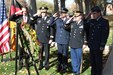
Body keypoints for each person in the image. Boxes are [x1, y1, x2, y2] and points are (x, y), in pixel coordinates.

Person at [84, 6, 109, 75]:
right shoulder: (91, 21)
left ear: (99, 13)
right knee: (92, 62)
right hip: (92, 44)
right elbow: (85, 26)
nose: (93, 15)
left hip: (98, 46)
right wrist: (87, 17)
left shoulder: (104, 22)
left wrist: (102, 45)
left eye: (94, 13)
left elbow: (105, 34)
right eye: (92, 13)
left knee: (98, 62)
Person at [49, 7, 70, 72]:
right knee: (59, 53)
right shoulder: (57, 20)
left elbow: (68, 28)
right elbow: (50, 24)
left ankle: (64, 67)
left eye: (63, 13)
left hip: (65, 39)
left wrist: (67, 19)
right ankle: (60, 66)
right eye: (61, 13)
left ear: (66, 13)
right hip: (59, 39)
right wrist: (53, 17)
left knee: (65, 54)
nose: (62, 14)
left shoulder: (68, 20)